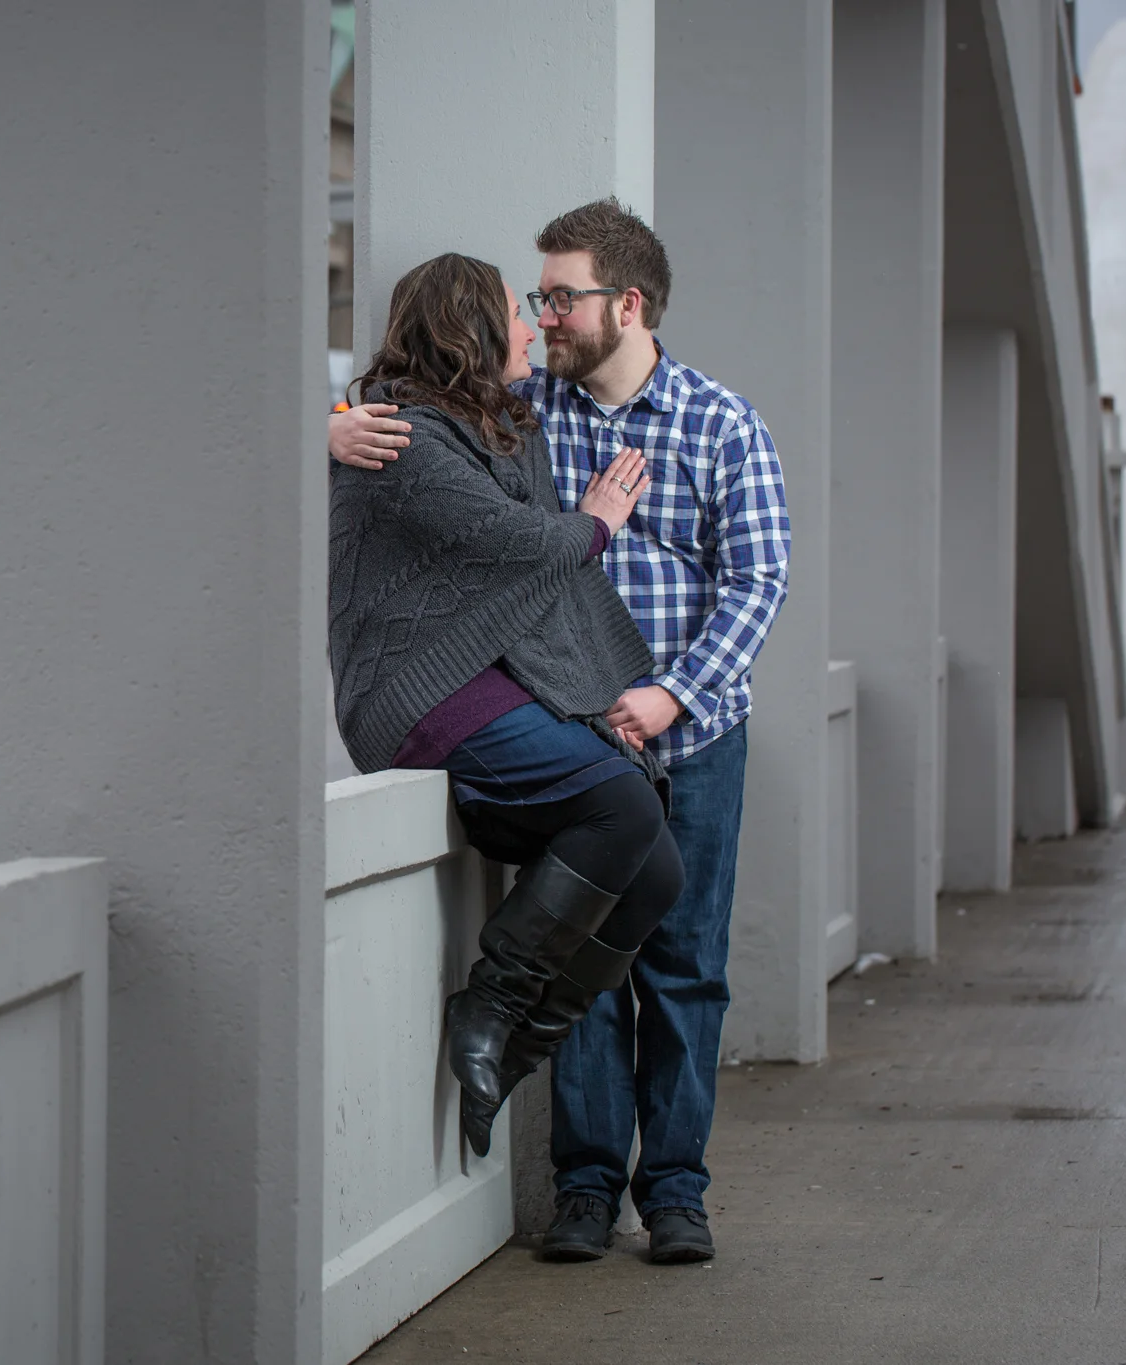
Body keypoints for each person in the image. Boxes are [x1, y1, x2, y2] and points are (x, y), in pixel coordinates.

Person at [331, 200, 790, 1266]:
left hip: (692, 731)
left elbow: (757, 582)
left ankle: (674, 1193)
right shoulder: (523, 406)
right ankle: (584, 1190)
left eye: (559, 298)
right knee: (586, 961)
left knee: (685, 969)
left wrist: (674, 695)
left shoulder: (721, 423)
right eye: (533, 301)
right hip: (572, 722)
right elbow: (412, 415)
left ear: (625, 304)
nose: (542, 319)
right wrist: (329, 425)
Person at [328, 251, 685, 1161]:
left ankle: (527, 1039)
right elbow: (520, 544)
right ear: (474, 329)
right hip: (416, 688)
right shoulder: (403, 438)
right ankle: (490, 1002)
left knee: (656, 872)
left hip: (489, 678)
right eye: (516, 312)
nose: (531, 325)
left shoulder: (503, 429)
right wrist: (597, 522)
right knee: (623, 804)